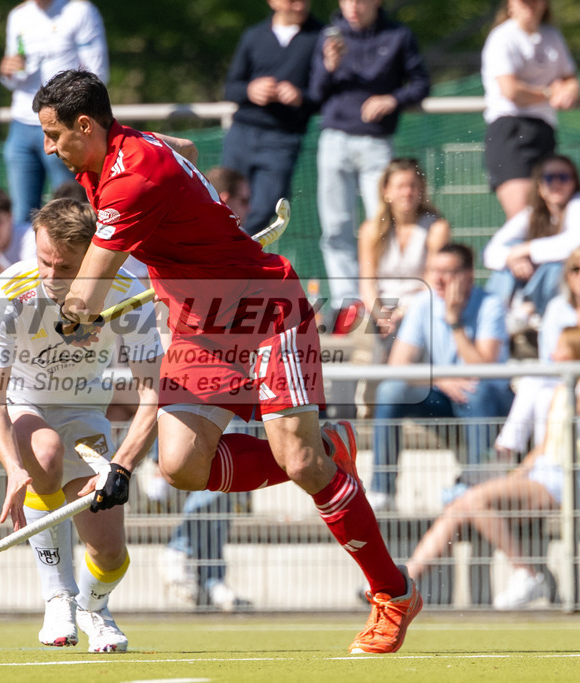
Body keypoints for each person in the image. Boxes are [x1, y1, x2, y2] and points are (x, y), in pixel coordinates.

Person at [33, 69, 421, 655]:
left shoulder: (131, 178)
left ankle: (393, 592)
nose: (48, 148)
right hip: (201, 326)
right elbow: (188, 150)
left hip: (264, 312)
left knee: (301, 463)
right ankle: (330, 448)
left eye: (53, 134)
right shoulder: (128, 148)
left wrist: (72, 321)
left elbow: (85, 299)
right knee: (181, 466)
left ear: (85, 125)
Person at [0, 197, 161, 653]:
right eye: (44, 260)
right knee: (45, 452)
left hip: (82, 409)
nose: (51, 276)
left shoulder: (128, 291)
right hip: (12, 401)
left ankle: (94, 607)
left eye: (66, 267)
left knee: (110, 554)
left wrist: (124, 466)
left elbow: (154, 394)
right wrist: (14, 467)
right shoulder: (9, 292)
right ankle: (58, 598)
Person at [405, 327, 580, 609]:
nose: (554, 354)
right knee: (459, 507)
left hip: (570, 481)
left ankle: (528, 574)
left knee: (474, 500)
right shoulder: (563, 389)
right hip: (544, 474)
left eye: (562, 348)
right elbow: (544, 447)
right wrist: (514, 475)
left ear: (578, 353)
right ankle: (405, 581)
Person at [159, 165, 253, 611]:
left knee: (219, 471)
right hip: (189, 364)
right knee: (201, 463)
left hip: (229, 364)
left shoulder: (236, 246)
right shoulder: (186, 237)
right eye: (243, 200)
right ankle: (185, 551)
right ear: (224, 200)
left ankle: (211, 571)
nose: (248, 209)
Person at [308, 0, 430, 323]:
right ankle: (347, 304)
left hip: (377, 143)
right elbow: (315, 93)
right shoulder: (329, 36)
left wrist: (393, 99)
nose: (353, 6)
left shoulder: (398, 35)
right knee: (335, 226)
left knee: (384, 221)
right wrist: (328, 66)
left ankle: (385, 300)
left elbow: (421, 83)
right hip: (334, 140)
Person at [371, 244, 514, 508]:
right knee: (390, 390)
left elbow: (484, 370)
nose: (437, 279)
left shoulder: (490, 305)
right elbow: (397, 365)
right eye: (434, 270)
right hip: (445, 394)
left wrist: (454, 321)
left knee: (477, 391)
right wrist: (438, 379)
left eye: (447, 272)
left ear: (469, 276)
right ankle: (382, 493)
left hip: (490, 400)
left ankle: (476, 492)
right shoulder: (423, 303)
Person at [0, 0, 108, 227]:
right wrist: (7, 72)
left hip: (65, 126)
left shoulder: (81, 11)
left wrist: (66, 115)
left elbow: (97, 76)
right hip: (21, 124)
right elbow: (12, 78)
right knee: (22, 215)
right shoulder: (18, 16)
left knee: (71, 211)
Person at [222, 0, 322, 235]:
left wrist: (300, 97)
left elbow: (326, 93)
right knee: (225, 200)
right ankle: (222, 250)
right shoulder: (254, 35)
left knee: (266, 206)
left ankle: (240, 249)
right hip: (242, 133)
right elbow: (231, 87)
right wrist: (250, 90)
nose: (299, 6)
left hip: (283, 137)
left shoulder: (320, 37)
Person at [496, 246, 580, 456]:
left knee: (542, 389)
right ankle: (539, 460)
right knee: (543, 395)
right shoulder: (557, 308)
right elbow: (550, 356)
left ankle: (512, 450)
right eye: (576, 269)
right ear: (568, 274)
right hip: (562, 380)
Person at [482, 0, 580, 221]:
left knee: (547, 217)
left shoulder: (552, 36)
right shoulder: (502, 37)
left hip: (544, 130)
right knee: (522, 217)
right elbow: (511, 90)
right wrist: (549, 93)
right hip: (510, 130)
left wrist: (570, 90)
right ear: (510, 4)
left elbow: (570, 78)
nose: (530, 5)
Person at [483, 155, 580, 320]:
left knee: (554, 267)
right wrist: (514, 259)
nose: (556, 183)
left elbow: (576, 242)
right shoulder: (533, 214)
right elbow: (490, 252)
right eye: (549, 178)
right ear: (539, 185)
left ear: (574, 182)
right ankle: (496, 317)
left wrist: (525, 250)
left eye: (563, 177)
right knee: (509, 255)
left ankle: (536, 314)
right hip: (539, 285)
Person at [358, 158, 451, 360]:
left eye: (413, 186)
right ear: (386, 191)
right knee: (365, 340)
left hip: (419, 306)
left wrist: (402, 312)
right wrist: (381, 314)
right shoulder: (370, 230)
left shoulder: (436, 228)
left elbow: (432, 281)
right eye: (400, 186)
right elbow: (367, 282)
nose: (407, 192)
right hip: (381, 308)